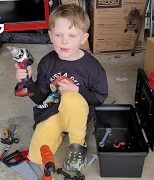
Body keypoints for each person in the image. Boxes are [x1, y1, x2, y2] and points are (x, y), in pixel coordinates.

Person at [15, 4, 108, 172]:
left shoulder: (93, 68)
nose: (64, 41)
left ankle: (78, 144)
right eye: (58, 35)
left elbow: (99, 98)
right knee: (36, 156)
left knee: (71, 97)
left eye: (72, 35)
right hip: (53, 112)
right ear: (50, 36)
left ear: (83, 38)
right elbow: (41, 98)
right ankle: (59, 133)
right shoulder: (47, 62)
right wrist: (28, 83)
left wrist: (77, 90)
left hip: (77, 117)